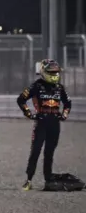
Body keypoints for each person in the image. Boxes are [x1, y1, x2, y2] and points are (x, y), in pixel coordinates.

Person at [16, 59, 72, 191]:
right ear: (44, 72)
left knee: (49, 153)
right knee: (35, 151)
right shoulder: (36, 86)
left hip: (54, 124)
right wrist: (29, 114)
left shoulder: (60, 88)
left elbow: (68, 103)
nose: (55, 74)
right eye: (52, 72)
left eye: (56, 72)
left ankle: (48, 180)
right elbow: (21, 99)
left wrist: (64, 115)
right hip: (41, 123)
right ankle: (29, 180)